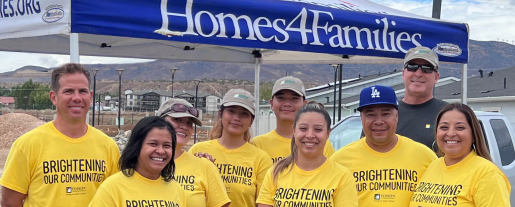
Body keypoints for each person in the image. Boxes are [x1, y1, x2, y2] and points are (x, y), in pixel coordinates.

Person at [0, 63, 120, 207]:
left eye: (82, 91)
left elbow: (115, 198)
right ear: (53, 97)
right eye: (68, 91)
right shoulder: (27, 145)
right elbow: (10, 202)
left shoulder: (108, 147)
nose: (77, 98)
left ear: (90, 96)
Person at [331, 85, 437, 207]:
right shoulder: (339, 161)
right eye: (371, 115)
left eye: (386, 114)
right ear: (362, 118)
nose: (379, 121)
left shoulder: (425, 157)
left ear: (396, 116)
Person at [256, 102, 358, 207]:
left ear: (328, 133)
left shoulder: (342, 176)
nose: (310, 135)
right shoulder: (275, 172)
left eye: (318, 129)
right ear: (294, 131)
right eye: (303, 128)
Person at [409, 103, 511, 207]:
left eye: (460, 127)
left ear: (474, 134)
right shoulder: (432, 166)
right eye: (444, 127)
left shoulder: (487, 174)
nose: (451, 133)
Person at [189, 89, 273, 207]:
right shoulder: (198, 151)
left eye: (244, 114)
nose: (236, 118)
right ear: (220, 114)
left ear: (251, 121)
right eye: (231, 111)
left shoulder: (261, 159)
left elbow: (264, 203)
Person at [88, 116, 186, 207]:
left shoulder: (177, 190)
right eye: (153, 144)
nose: (160, 151)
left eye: (166, 145)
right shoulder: (112, 188)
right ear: (137, 146)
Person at [157, 98, 231, 207]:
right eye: (177, 120)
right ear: (158, 122)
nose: (184, 127)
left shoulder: (204, 166)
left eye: (189, 123)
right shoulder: (138, 164)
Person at [251, 76, 335, 164]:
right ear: (272, 104)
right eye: (281, 98)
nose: (287, 104)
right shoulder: (258, 144)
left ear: (304, 104)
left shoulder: (320, 144)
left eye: (294, 98)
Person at [397, 46, 448, 150]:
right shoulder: (385, 113)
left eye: (427, 69)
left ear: (436, 77)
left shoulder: (449, 114)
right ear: (403, 74)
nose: (418, 74)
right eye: (412, 67)